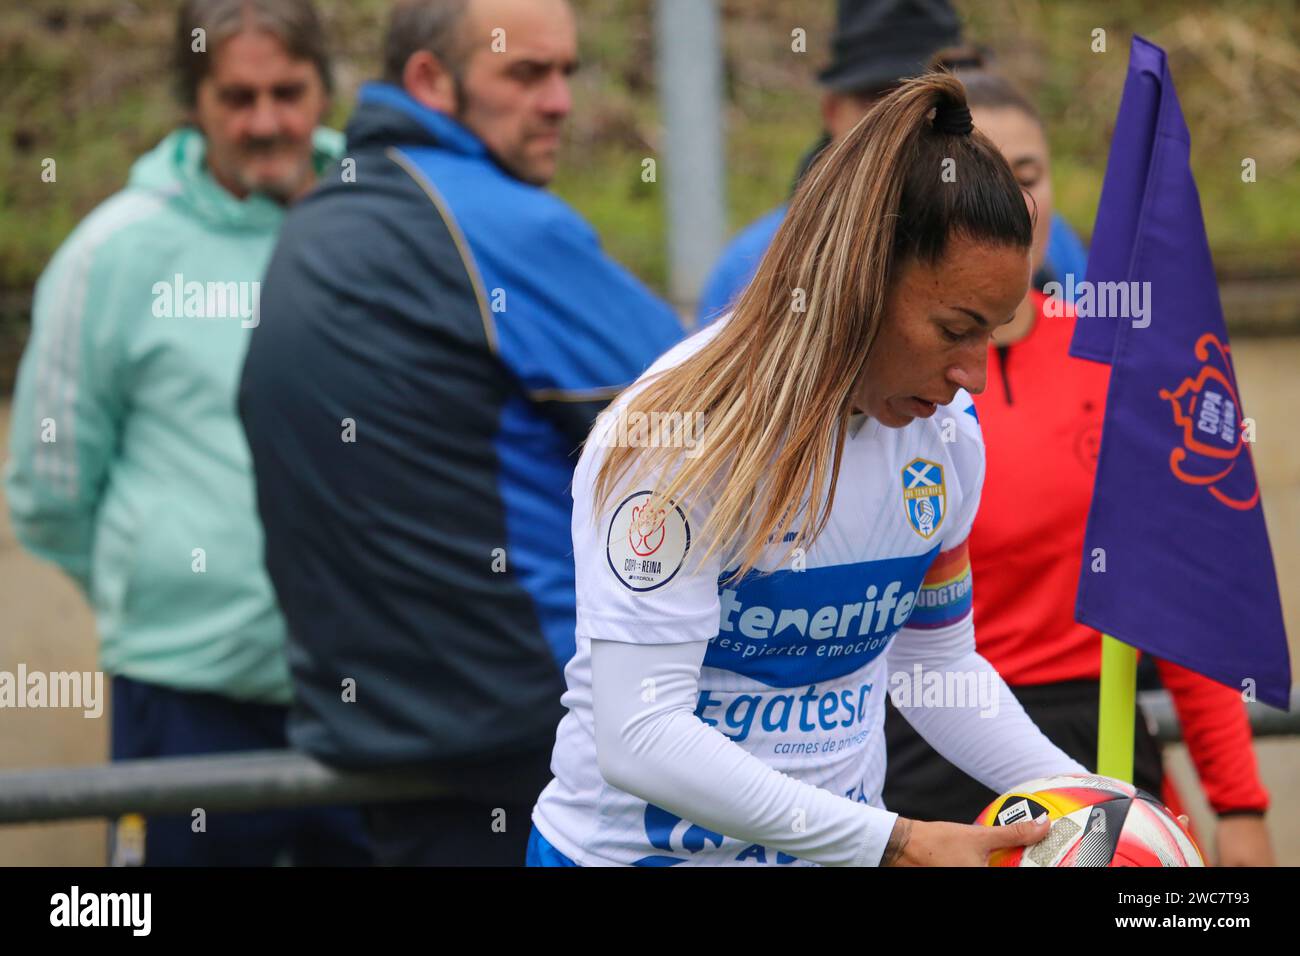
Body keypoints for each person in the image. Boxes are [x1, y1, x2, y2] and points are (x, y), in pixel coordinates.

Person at [526, 73, 1094, 868]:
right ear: (859, 280)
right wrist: (892, 842)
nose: (975, 372)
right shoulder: (678, 439)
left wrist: (1090, 802)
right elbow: (641, 734)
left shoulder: (944, 439)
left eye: (994, 331)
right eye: (956, 328)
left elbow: (934, 665)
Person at [238, 0, 683, 866]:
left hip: (376, 746)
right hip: (533, 747)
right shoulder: (497, 225)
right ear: (429, 81)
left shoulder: (317, 222)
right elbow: (717, 414)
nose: (558, 100)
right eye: (525, 73)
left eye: (565, 72)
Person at [5, 0, 370, 866]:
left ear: (325, 89)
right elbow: (50, 487)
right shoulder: (116, 254)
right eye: (236, 96)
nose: (267, 121)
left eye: (289, 91)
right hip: (185, 697)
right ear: (194, 100)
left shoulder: (379, 226)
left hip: (372, 694)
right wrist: (162, 586)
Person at [881, 69, 1276, 866]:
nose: (1014, 203)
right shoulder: (886, 379)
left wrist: (1238, 804)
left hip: (1102, 736)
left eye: (1027, 175)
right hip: (922, 752)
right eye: (986, 176)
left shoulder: (1121, 354)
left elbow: (1178, 592)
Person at [697, 0, 1089, 325]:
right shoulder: (753, 265)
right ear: (833, 113)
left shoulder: (1050, 243)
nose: (903, 118)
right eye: (879, 98)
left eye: (931, 97)